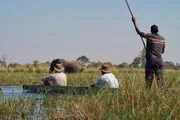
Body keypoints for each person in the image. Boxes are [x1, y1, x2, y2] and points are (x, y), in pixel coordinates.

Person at [132, 16, 165, 88]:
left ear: (151, 31)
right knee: (160, 81)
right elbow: (162, 51)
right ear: (157, 31)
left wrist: (134, 22)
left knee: (148, 81)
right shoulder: (162, 39)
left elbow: (139, 32)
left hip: (151, 60)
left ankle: (148, 94)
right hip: (160, 61)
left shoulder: (149, 36)